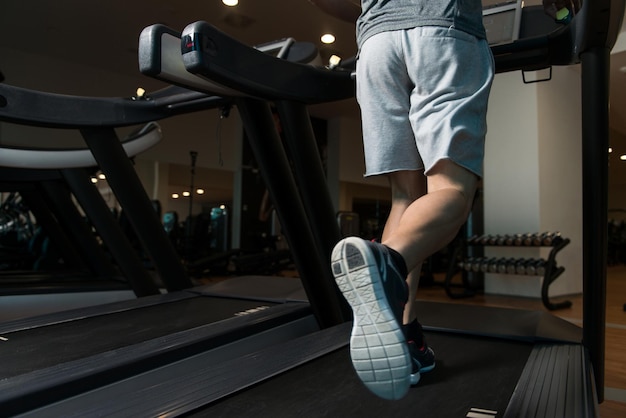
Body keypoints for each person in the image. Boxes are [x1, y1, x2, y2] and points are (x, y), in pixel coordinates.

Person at [309, 0, 580, 401]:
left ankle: (402, 334)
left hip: (376, 48)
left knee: (404, 197)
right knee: (451, 191)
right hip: (441, 33)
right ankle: (385, 267)